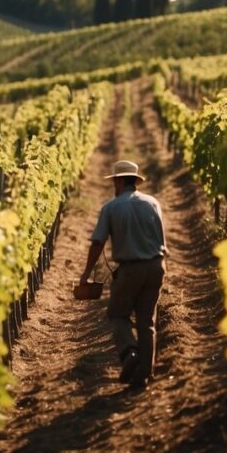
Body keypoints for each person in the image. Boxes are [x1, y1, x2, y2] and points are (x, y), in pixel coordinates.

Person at [79, 160, 167, 390]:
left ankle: (129, 354)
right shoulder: (153, 203)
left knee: (118, 315)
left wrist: (86, 274)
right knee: (147, 322)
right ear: (135, 181)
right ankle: (143, 376)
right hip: (157, 266)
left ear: (118, 181)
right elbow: (160, 237)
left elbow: (98, 243)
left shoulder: (111, 207)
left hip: (130, 269)